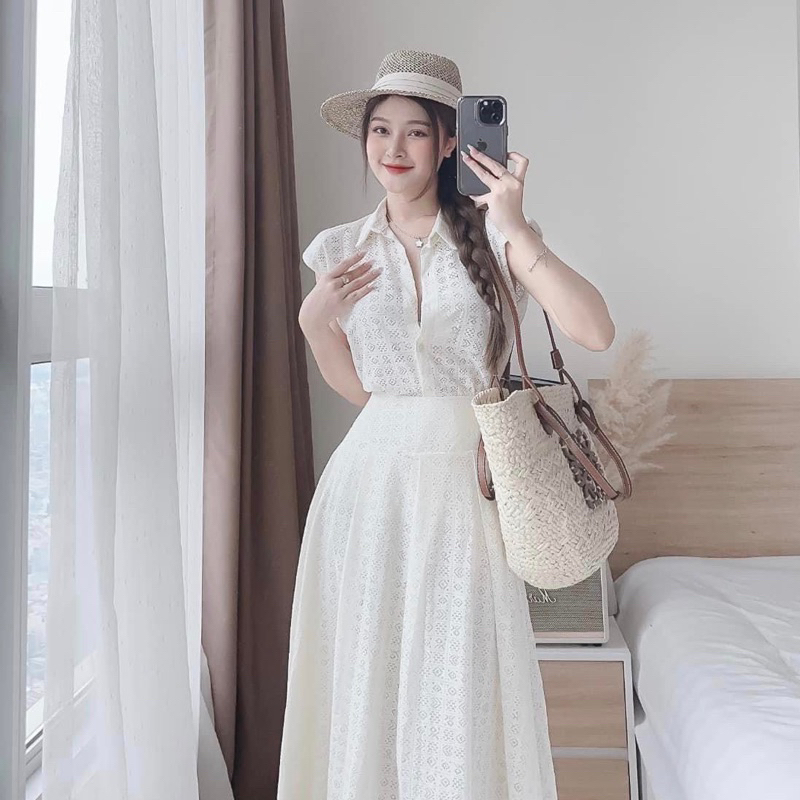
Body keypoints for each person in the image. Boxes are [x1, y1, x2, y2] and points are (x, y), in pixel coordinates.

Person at [280, 49, 615, 800]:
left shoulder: (497, 239)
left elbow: (594, 331)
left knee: (457, 682)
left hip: (468, 485)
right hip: (367, 487)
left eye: (415, 131)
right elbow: (367, 394)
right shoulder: (338, 249)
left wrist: (515, 224)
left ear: (448, 142)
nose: (393, 149)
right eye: (380, 130)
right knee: (365, 677)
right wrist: (314, 324)